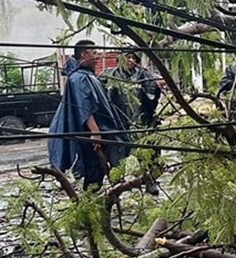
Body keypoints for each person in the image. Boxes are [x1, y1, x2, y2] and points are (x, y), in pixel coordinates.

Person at [48, 40, 129, 191]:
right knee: (94, 173)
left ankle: (97, 204)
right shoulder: (79, 78)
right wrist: (95, 132)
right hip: (92, 136)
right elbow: (84, 107)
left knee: (101, 171)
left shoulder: (86, 76)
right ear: (84, 54)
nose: (97, 57)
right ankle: (90, 206)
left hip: (100, 133)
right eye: (94, 53)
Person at [101, 49, 162, 194]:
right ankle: (117, 186)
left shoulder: (143, 74)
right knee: (116, 156)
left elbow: (153, 95)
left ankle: (150, 181)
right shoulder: (110, 74)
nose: (130, 60)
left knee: (149, 154)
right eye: (127, 57)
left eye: (133, 57)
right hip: (117, 124)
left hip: (142, 123)